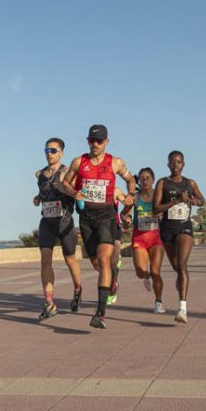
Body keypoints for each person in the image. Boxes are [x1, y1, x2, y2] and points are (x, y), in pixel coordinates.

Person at [60, 124, 136, 329]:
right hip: (86, 219)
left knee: (103, 259)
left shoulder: (116, 163)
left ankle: (100, 314)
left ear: (106, 142)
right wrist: (73, 193)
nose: (95, 144)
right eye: (91, 141)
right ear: (87, 141)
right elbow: (65, 183)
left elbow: (130, 179)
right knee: (96, 263)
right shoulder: (79, 162)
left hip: (106, 216)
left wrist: (130, 195)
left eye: (99, 141)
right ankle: (112, 282)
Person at [32, 138, 82, 320]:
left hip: (64, 221)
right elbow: (43, 191)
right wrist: (38, 198)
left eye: (53, 150)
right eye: (47, 150)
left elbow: (74, 191)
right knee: (45, 261)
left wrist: (66, 188)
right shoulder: (40, 174)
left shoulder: (67, 172)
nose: (49, 154)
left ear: (61, 153)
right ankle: (49, 302)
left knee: (70, 259)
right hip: (47, 221)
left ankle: (77, 289)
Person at [154, 151, 205, 323]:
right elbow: (156, 209)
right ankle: (181, 281)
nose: (175, 165)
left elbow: (201, 200)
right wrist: (175, 201)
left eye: (178, 162)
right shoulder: (163, 183)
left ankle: (182, 308)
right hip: (167, 228)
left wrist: (191, 200)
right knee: (177, 266)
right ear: (168, 164)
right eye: (172, 162)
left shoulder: (190, 183)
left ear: (183, 164)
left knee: (182, 264)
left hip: (184, 226)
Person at [121, 167, 166, 314]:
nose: (145, 180)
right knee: (141, 271)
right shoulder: (135, 197)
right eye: (142, 178)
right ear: (138, 181)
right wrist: (126, 220)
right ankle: (146, 277)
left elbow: (167, 212)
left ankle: (158, 302)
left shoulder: (158, 196)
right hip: (139, 238)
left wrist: (162, 217)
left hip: (156, 238)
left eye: (148, 177)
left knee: (155, 271)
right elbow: (123, 214)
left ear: (153, 180)